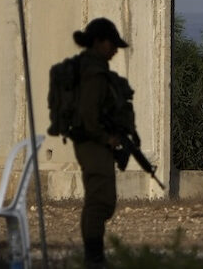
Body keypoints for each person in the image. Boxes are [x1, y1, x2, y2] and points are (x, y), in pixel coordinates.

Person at [71, 17, 130, 267]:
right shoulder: (93, 73)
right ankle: (93, 257)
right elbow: (89, 116)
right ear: (98, 42)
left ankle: (94, 255)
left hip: (93, 141)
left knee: (102, 200)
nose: (115, 50)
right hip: (93, 142)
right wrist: (106, 137)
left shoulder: (93, 69)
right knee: (99, 201)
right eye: (111, 44)